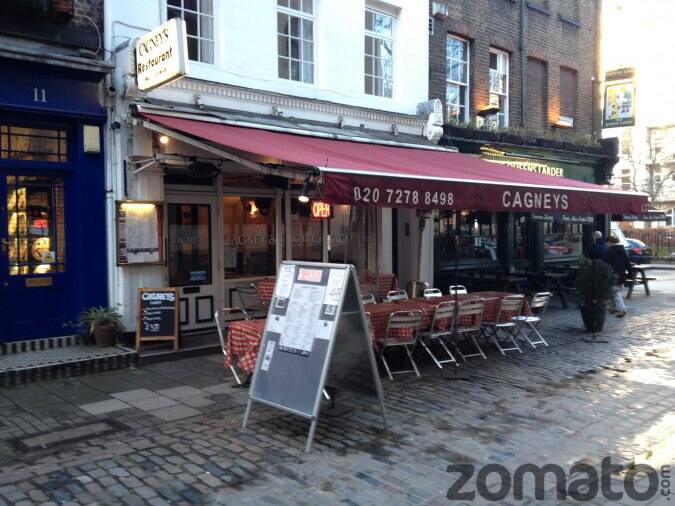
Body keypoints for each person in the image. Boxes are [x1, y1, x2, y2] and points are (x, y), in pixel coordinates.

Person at [604, 234, 632, 318]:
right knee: (612, 291)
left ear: (609, 242)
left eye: (607, 243)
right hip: (621, 274)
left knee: (616, 292)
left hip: (612, 275)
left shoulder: (609, 251)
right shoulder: (623, 250)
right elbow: (628, 263)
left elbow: (605, 263)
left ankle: (621, 309)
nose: (606, 244)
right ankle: (612, 307)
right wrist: (630, 274)